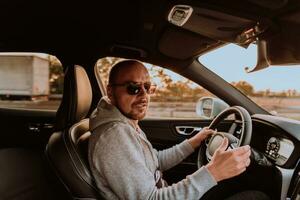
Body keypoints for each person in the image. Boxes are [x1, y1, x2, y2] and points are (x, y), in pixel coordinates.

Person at [88, 60, 269, 200]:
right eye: (133, 88)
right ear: (110, 92)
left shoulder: (125, 122)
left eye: (148, 87)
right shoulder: (113, 136)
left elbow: (154, 160)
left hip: (165, 190)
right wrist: (213, 171)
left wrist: (193, 142)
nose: (144, 95)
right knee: (257, 197)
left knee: (237, 186)